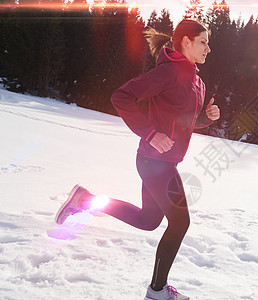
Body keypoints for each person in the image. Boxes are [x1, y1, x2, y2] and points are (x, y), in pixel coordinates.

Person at [55, 19, 219, 300]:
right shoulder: (168, 73)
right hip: (154, 161)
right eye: (203, 42)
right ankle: (156, 292)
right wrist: (150, 132)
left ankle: (85, 200)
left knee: (148, 220)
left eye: (208, 42)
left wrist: (206, 118)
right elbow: (123, 96)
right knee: (180, 223)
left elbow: (184, 121)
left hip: (163, 162)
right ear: (186, 42)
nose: (208, 48)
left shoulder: (197, 82)